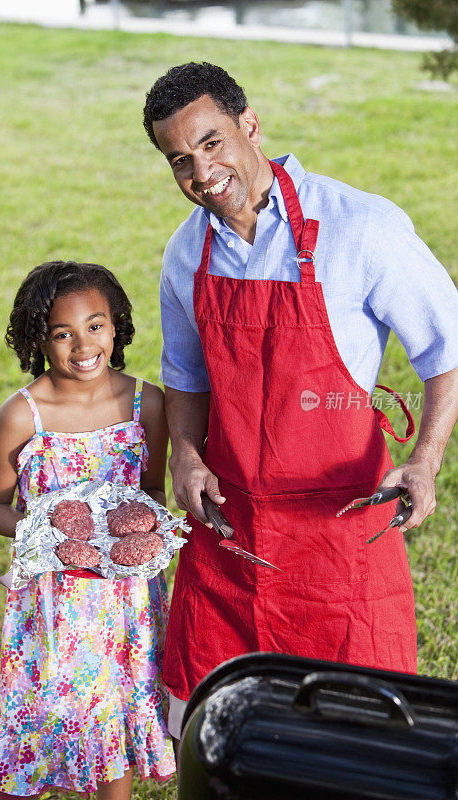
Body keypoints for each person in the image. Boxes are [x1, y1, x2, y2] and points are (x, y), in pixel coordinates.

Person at [142, 62, 458, 738]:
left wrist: (424, 460)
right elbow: (186, 378)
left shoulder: (359, 227)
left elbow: (448, 352)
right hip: (233, 535)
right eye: (179, 161)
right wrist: (187, 459)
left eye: (211, 143)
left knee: (351, 744)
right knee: (225, 736)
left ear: (249, 126)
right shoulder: (185, 254)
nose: (200, 173)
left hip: (342, 534)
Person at [0, 261, 176, 799]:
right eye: (61, 333)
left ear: (117, 326)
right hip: (53, 602)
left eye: (95, 325)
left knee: (114, 710)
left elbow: (152, 492)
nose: (82, 344)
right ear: (37, 338)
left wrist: (137, 537)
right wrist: (51, 535)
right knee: (41, 712)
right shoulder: (21, 416)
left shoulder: (146, 403)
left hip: (125, 601)